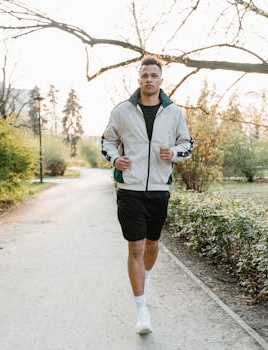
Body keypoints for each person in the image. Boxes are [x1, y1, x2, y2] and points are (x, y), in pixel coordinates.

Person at [101, 55, 193, 334]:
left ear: (161, 80)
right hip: (130, 189)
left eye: (154, 75)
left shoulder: (174, 113)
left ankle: (146, 279)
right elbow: (107, 141)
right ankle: (141, 309)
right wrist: (116, 159)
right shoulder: (123, 111)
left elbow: (187, 144)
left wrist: (174, 154)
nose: (149, 79)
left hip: (158, 190)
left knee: (153, 244)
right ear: (139, 79)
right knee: (136, 248)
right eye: (145, 75)